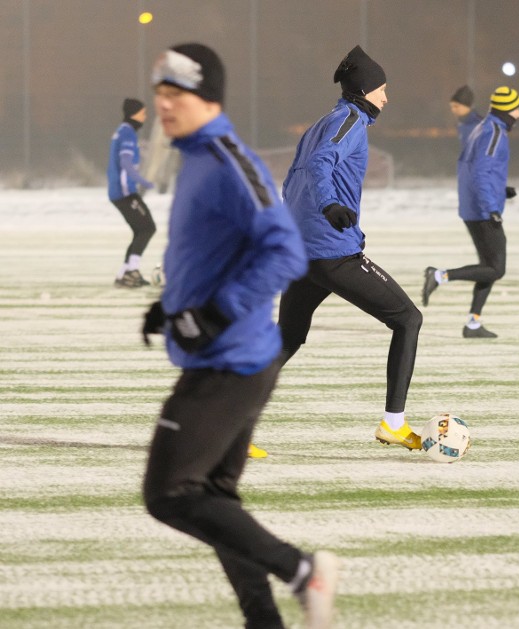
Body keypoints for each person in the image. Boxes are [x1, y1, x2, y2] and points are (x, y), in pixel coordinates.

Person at [140, 43, 338, 629]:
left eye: (175, 95)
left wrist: (217, 315)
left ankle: (304, 572)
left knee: (170, 493)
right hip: (230, 357)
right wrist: (169, 305)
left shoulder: (227, 159)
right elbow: (213, 251)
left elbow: (284, 250)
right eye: (159, 94)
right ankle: (264, 621)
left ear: (208, 98)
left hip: (234, 363)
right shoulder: (195, 156)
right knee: (215, 501)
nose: (163, 106)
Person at [278, 45, 424, 451]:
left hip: (304, 252)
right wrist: (328, 205)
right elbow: (320, 165)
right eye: (382, 89)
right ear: (364, 90)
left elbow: (291, 180)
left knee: (285, 341)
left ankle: (227, 427)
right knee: (408, 320)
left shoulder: (322, 121)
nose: (386, 98)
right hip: (332, 251)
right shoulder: (349, 122)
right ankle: (393, 424)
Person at [422, 86, 519, 339]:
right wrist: (491, 206)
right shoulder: (494, 132)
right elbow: (480, 172)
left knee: (488, 266)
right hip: (481, 209)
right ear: (506, 110)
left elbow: (475, 169)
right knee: (496, 269)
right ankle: (440, 275)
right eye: (516, 109)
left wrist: (501, 190)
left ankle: (473, 324)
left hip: (473, 206)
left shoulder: (483, 127)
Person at [107, 98, 156, 288]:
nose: (145, 117)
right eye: (143, 113)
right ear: (134, 113)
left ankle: (124, 274)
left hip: (119, 191)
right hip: (124, 192)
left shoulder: (122, 131)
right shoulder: (127, 133)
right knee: (147, 228)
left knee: (140, 230)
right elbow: (126, 163)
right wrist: (140, 183)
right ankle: (132, 271)